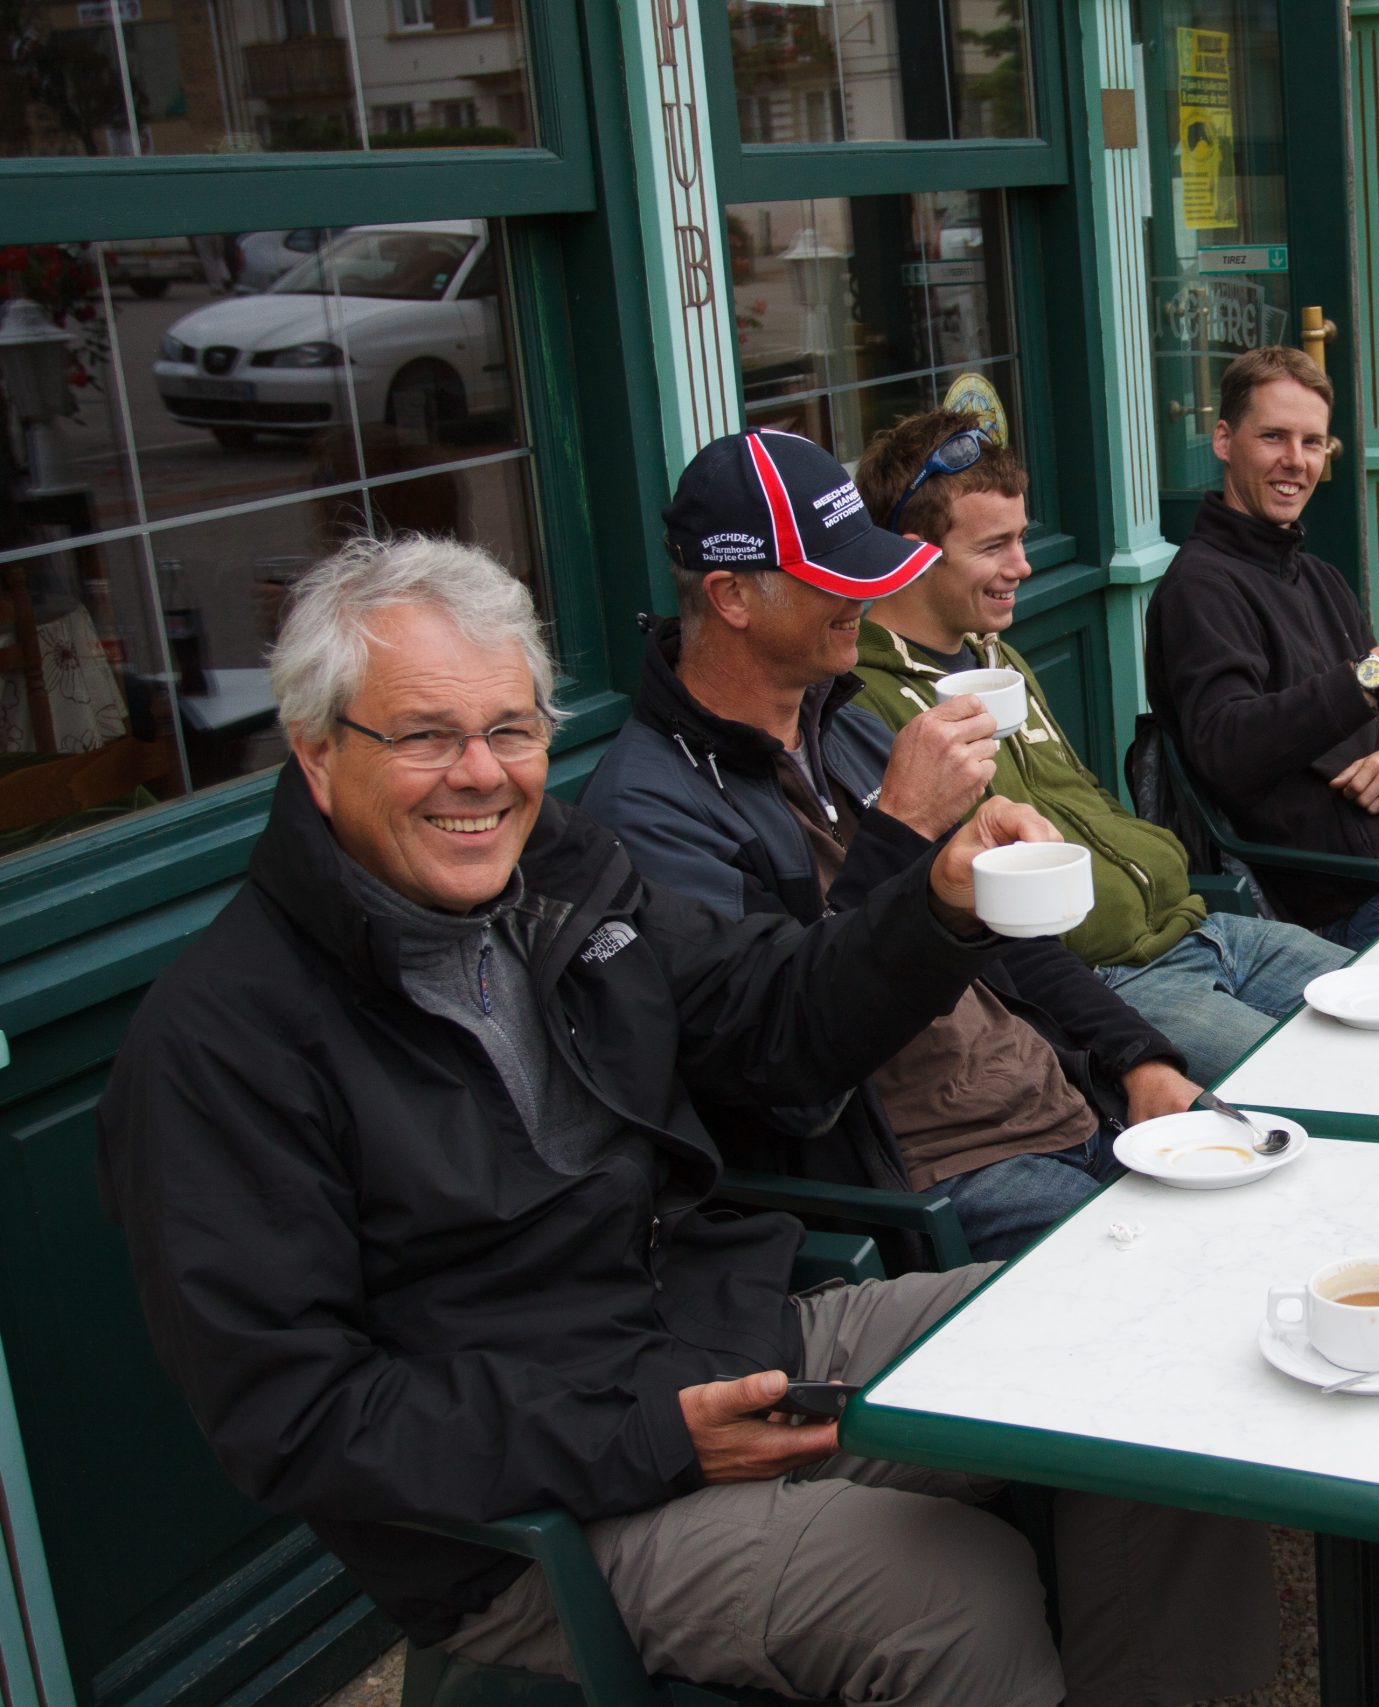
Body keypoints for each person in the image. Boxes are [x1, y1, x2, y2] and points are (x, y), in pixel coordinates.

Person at [96, 533, 1276, 1706]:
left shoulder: (563, 874)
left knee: (1132, 1353)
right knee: (945, 1590)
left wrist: (932, 901)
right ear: (314, 756)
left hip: (721, 1334)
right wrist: (647, 1437)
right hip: (540, 1495)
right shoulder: (219, 1043)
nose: (481, 774)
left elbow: (772, 1017)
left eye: (511, 730)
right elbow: (293, 1415)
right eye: (423, 735)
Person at [583, 427, 1203, 1261]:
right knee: (1186, 1276)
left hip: (1061, 1100)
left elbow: (1015, 947)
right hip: (928, 1177)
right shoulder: (648, 810)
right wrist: (901, 833)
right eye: (839, 579)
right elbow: (786, 1065)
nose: (869, 599)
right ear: (731, 596)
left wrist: (1136, 1059)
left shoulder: (844, 727)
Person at [844, 408, 1352, 1081]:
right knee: (1323, 1081)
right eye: (995, 546)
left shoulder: (996, 657)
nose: (1022, 566)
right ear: (915, 552)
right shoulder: (863, 701)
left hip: (1203, 927)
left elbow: (1082, 797)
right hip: (1108, 982)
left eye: (1022, 538)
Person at [1145, 346, 1379, 950]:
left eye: (1312, 442)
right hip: (1352, 894)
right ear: (1223, 440)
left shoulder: (1315, 575)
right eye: (1274, 437)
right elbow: (1229, 747)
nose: (1295, 462)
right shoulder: (1199, 588)